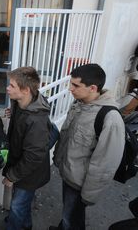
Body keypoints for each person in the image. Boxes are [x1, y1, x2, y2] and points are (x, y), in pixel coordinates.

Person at [50, 63, 125, 230]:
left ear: (92, 88)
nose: (70, 89)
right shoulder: (78, 104)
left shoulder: (110, 119)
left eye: (76, 85)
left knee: (73, 218)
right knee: (69, 213)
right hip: (68, 174)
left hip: (80, 184)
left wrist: (88, 195)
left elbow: (105, 164)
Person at [2, 66, 51, 230]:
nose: (7, 88)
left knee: (16, 206)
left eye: (12, 86)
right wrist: (13, 113)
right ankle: (26, 226)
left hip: (29, 172)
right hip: (20, 164)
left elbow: (33, 157)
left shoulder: (36, 121)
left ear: (25, 90)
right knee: (22, 204)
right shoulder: (19, 101)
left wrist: (11, 176)